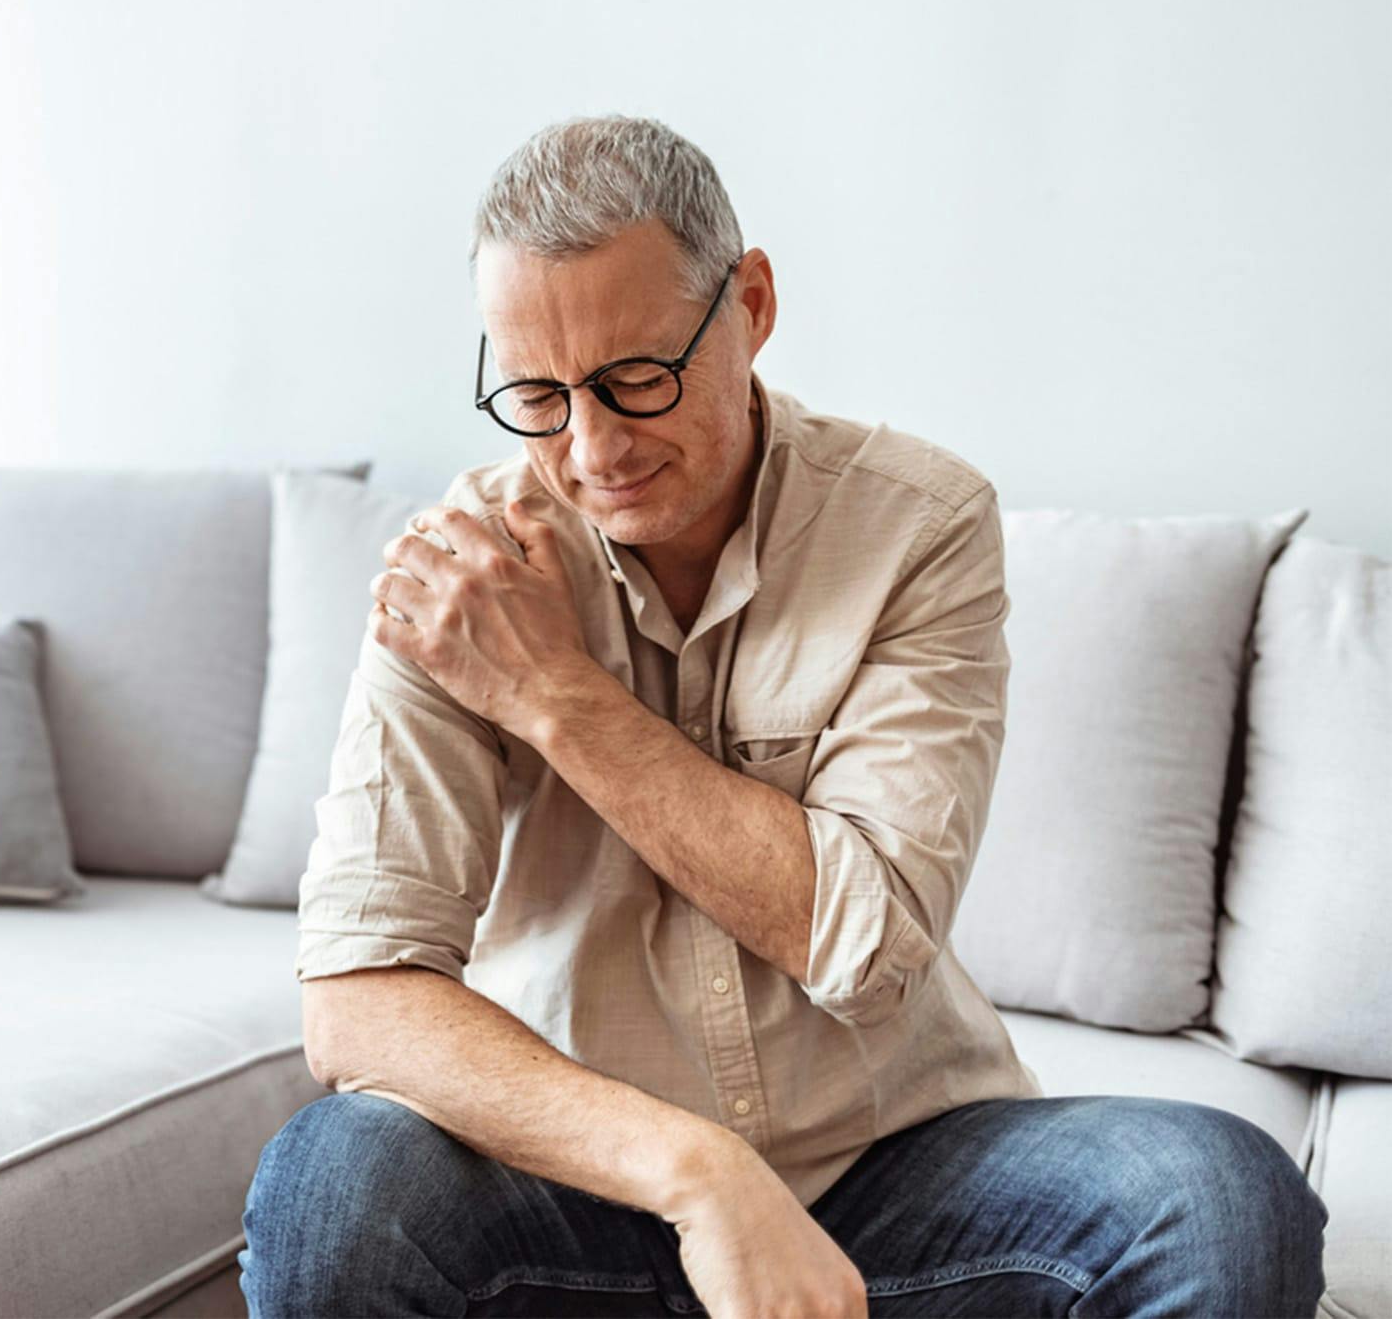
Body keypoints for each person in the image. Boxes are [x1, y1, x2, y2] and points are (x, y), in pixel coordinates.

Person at [239, 114, 1328, 1318]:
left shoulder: (921, 525)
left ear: (751, 305)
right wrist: (697, 1175)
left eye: (637, 379)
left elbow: (866, 949)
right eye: (538, 398)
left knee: (1219, 1194)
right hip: (577, 1179)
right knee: (331, 1186)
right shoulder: (463, 578)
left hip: (893, 1168)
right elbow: (358, 999)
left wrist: (556, 695)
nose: (592, 448)